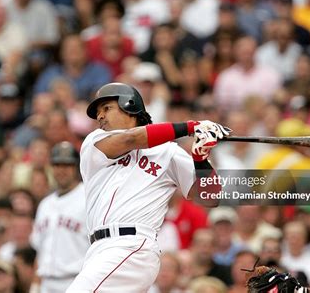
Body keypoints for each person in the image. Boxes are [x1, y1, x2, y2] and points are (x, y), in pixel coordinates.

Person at [66, 82, 230, 292]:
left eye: (106, 108)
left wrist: (200, 159)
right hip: (98, 250)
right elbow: (132, 138)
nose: (100, 116)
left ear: (130, 105)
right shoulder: (94, 142)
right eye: (98, 112)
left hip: (132, 245)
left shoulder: (168, 152)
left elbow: (210, 197)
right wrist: (191, 127)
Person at [30, 141, 89, 293]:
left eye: (67, 165)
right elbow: (40, 249)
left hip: (76, 281)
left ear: (76, 167)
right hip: (46, 282)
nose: (61, 170)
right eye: (57, 165)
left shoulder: (88, 198)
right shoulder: (45, 204)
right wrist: (35, 285)